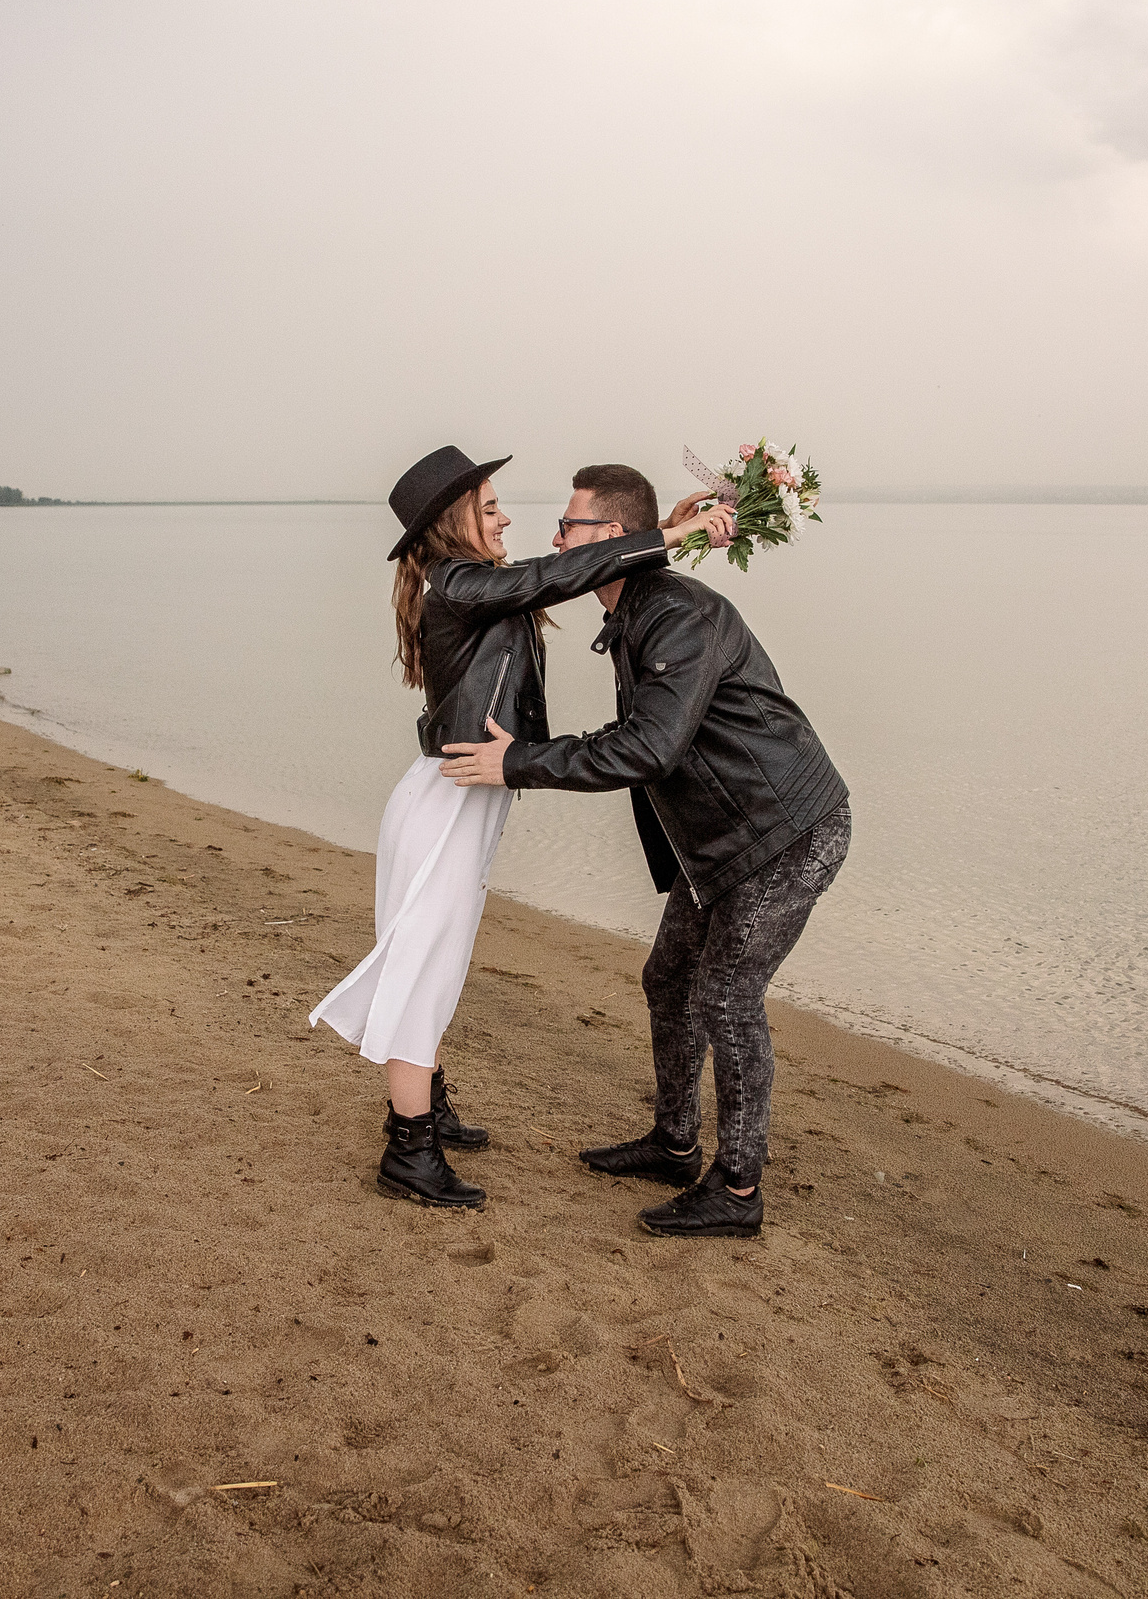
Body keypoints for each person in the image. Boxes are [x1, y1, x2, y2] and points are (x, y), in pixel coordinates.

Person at [312, 446, 734, 1209]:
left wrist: (663, 529)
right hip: (444, 803)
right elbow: (551, 574)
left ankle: (427, 1106)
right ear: (456, 525)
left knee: (438, 964)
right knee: (419, 971)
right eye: (491, 507)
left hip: (462, 800)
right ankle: (409, 1149)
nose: (508, 518)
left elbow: (558, 572)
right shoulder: (461, 583)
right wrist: (672, 538)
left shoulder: (476, 587)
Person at [438, 462, 849, 1239]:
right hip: (722, 840)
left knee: (726, 993)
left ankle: (737, 1190)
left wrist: (520, 758)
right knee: (668, 977)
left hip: (788, 831)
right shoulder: (638, 609)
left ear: (613, 537)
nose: (556, 542)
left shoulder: (679, 616)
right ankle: (673, 1142)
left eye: (569, 527)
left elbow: (648, 748)